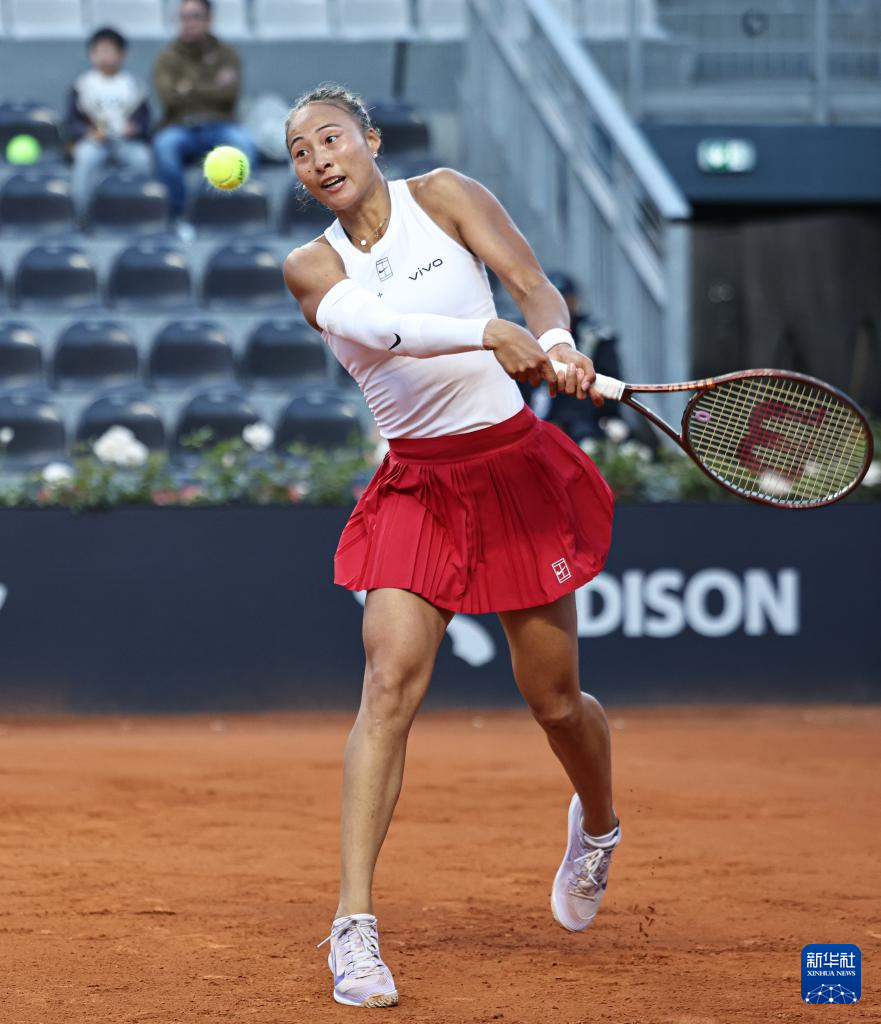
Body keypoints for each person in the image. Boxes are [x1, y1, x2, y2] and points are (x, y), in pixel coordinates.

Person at [283, 84, 621, 1010]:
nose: (318, 159)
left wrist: (554, 339)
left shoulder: (445, 195)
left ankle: (597, 826)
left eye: (330, 138)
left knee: (553, 701)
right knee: (388, 682)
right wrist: (484, 332)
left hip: (510, 470)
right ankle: (353, 926)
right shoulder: (310, 267)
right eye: (301, 152)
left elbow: (533, 285)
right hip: (417, 487)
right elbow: (379, 330)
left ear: (369, 139)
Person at [152, 0, 258, 234]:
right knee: (164, 146)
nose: (188, 23)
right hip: (181, 125)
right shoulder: (167, 57)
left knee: (245, 146)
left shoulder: (227, 54)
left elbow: (229, 94)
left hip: (220, 123)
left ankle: (227, 210)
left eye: (195, 17)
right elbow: (168, 98)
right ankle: (179, 214)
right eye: (183, 17)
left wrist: (188, 88)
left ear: (209, 20)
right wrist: (212, 86)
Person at [65, 27, 152, 220]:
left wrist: (135, 129)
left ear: (122, 54)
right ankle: (81, 216)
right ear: (91, 54)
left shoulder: (133, 85)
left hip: (125, 141)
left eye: (110, 51)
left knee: (142, 159)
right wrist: (87, 132)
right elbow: (71, 121)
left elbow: (144, 120)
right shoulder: (82, 85)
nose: (104, 56)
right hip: (95, 141)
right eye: (99, 51)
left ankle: (138, 212)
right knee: (85, 158)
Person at [531, 271, 623, 442]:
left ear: (574, 300)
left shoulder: (595, 335)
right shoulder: (526, 335)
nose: (559, 306)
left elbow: (610, 380)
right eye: (553, 300)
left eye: (564, 298)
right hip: (541, 413)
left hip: (584, 419)